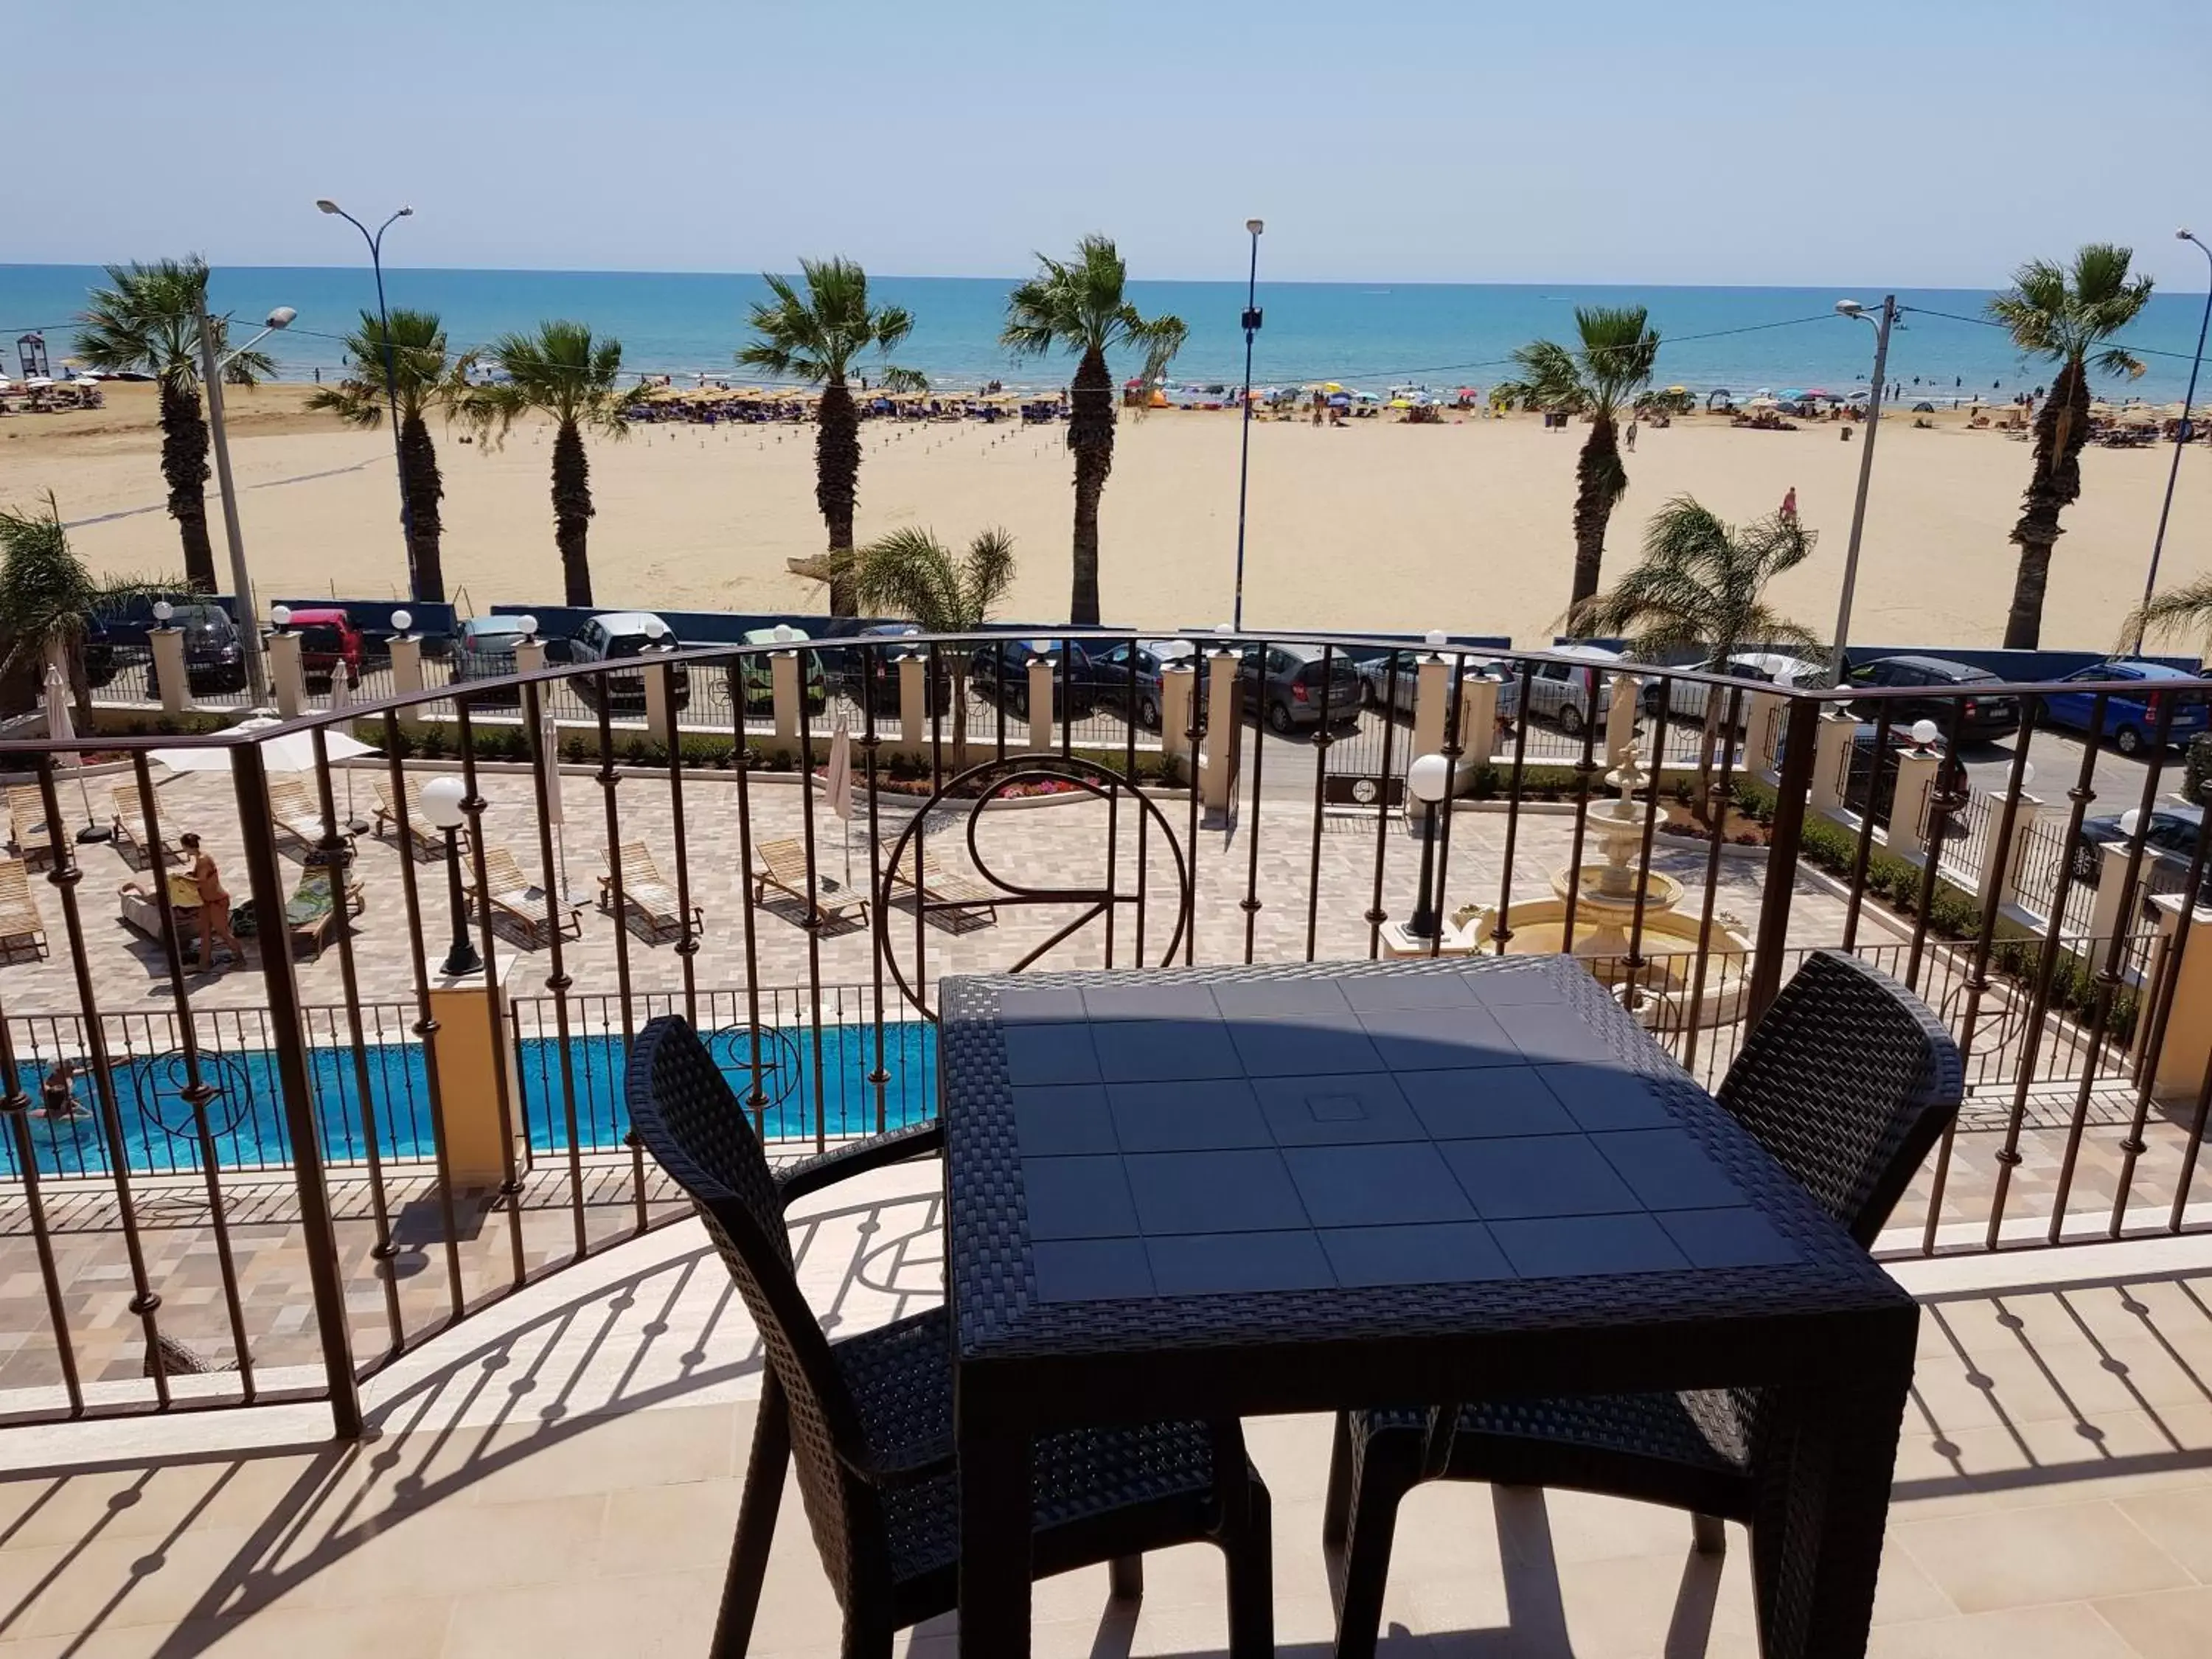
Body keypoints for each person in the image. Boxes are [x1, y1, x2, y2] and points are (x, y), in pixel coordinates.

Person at [181, 832, 243, 967]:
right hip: (206, 902)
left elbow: (201, 881)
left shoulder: (204, 859)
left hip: (217, 901)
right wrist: (190, 875)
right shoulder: (199, 859)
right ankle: (204, 963)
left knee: (222, 931)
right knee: (205, 933)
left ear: (187, 846)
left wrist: (182, 879)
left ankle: (240, 958)